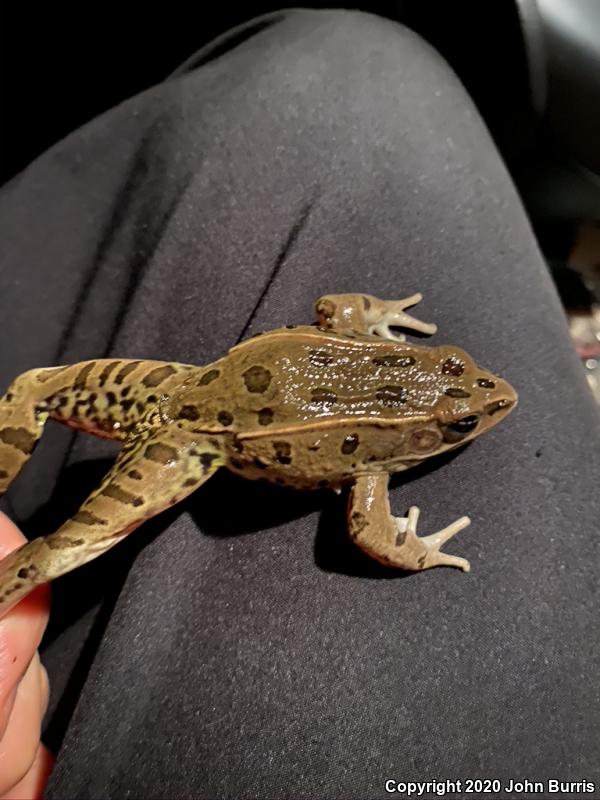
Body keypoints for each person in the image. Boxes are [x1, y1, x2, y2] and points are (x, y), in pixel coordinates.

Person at [1, 9, 598, 799]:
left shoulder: (378, 353)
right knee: (57, 546)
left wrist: (375, 317)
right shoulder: (379, 457)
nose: (489, 398)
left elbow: (335, 307)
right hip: (191, 434)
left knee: (36, 388)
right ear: (417, 419)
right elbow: (366, 530)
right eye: (457, 409)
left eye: (462, 397)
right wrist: (419, 548)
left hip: (182, 380)